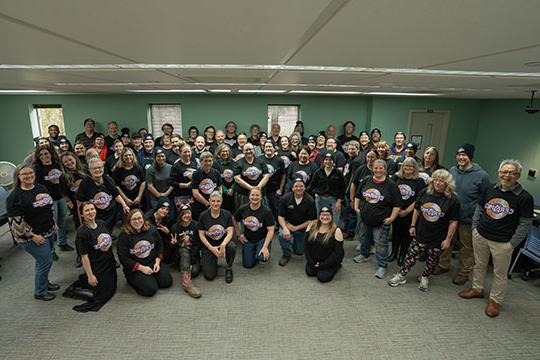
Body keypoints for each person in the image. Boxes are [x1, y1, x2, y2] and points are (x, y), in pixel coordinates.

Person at [459, 159, 534, 317]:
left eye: (511, 173)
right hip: (481, 234)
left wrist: (512, 244)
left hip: (503, 242)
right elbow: (479, 208)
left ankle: (495, 300)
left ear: (518, 175)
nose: (507, 175)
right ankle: (477, 289)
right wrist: (475, 228)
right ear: (499, 173)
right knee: (479, 265)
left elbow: (525, 224)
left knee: (499, 273)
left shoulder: (525, 197)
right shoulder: (489, 188)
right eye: (504, 172)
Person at [388, 169, 459, 291]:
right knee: (411, 255)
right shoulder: (425, 192)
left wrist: (448, 239)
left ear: (447, 183)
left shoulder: (453, 200)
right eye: (435, 180)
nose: (437, 183)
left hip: (438, 236)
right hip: (421, 232)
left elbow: (454, 221)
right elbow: (417, 209)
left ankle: (425, 277)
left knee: (433, 259)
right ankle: (402, 275)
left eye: (441, 181)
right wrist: (412, 225)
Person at [434, 144, 490, 286]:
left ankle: (463, 272)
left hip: (468, 217)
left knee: (467, 246)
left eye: (464, 155)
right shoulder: (452, 170)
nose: (461, 157)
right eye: (458, 154)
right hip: (450, 215)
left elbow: (485, 199)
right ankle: (444, 264)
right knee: (447, 240)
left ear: (470, 156)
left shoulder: (482, 176)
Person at [7, 164, 60, 301]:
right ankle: (40, 292)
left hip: (48, 231)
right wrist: (33, 236)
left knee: (42, 262)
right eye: (24, 174)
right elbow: (16, 223)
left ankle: (44, 283)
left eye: (31, 173)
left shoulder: (40, 188)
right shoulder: (14, 197)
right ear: (18, 177)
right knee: (45, 261)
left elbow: (49, 208)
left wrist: (54, 223)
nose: (29, 176)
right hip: (31, 237)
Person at [353, 159, 401, 279]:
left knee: (380, 244)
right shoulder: (367, 180)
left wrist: (392, 218)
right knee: (364, 237)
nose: (378, 170)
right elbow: (358, 195)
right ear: (372, 168)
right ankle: (364, 254)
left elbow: (397, 204)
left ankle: (382, 265)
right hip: (364, 218)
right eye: (376, 168)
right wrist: (356, 208)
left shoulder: (391, 185)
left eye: (381, 168)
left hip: (382, 221)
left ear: (385, 169)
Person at [68, 202, 117, 312]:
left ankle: (84, 279)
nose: (91, 212)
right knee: (102, 297)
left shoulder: (102, 224)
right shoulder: (82, 233)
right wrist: (91, 276)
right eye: (87, 210)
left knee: (113, 288)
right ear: (81, 215)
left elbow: (108, 244)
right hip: (97, 265)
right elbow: (84, 257)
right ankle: (77, 288)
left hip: (108, 264)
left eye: (92, 209)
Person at [117, 209, 173, 297]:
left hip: (153, 263)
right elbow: (123, 259)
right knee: (150, 290)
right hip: (136, 268)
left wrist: (158, 262)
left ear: (143, 219)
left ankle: (150, 277)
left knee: (166, 282)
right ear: (129, 221)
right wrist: (142, 268)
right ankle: (133, 280)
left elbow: (160, 245)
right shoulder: (124, 236)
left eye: (139, 218)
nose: (137, 221)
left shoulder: (152, 229)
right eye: (134, 219)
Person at [33, 145, 71, 256]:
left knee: (62, 221)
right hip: (49, 201)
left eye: (46, 153)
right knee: (51, 225)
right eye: (41, 155)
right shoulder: (38, 169)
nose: (44, 156)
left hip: (61, 197)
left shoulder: (57, 165)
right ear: (38, 157)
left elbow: (64, 179)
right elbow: (37, 186)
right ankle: (51, 251)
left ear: (50, 154)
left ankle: (62, 243)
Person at [388, 157, 426, 265]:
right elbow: (391, 194)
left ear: (415, 168)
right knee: (395, 234)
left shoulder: (419, 181)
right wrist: (397, 209)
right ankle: (394, 253)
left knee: (406, 236)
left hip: (410, 214)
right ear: (402, 167)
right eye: (406, 166)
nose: (408, 168)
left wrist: (406, 211)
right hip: (396, 211)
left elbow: (419, 199)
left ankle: (402, 255)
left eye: (411, 166)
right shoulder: (396, 178)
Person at [76, 158, 130, 231]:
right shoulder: (85, 183)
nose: (97, 170)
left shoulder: (108, 179)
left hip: (111, 215)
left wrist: (124, 205)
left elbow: (116, 194)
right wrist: (82, 220)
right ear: (89, 170)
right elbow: (79, 202)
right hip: (96, 217)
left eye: (99, 167)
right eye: (94, 168)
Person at [198, 191, 236, 283]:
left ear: (221, 201)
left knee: (232, 246)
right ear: (209, 201)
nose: (215, 203)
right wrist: (211, 248)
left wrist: (223, 245)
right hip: (209, 246)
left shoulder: (227, 214)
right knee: (209, 276)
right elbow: (201, 235)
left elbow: (230, 232)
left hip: (222, 243)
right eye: (213, 201)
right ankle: (212, 260)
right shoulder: (203, 216)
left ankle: (229, 267)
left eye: (218, 201)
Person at [278, 178, 317, 266]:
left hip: (302, 227)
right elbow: (280, 216)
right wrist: (284, 228)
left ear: (304, 187)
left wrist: (297, 228)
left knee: (299, 252)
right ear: (292, 188)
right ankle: (286, 254)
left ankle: (295, 243)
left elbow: (313, 220)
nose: (298, 188)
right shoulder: (285, 198)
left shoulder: (310, 200)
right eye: (296, 186)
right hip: (288, 224)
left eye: (301, 186)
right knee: (282, 235)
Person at [234, 187, 275, 268]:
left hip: (262, 238)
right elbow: (234, 219)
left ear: (261, 197)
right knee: (248, 265)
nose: (255, 197)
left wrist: (264, 247)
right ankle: (253, 250)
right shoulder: (243, 208)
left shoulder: (267, 211)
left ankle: (263, 248)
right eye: (252, 195)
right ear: (249, 196)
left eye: (257, 195)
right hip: (248, 239)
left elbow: (271, 230)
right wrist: (239, 234)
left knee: (261, 257)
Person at [170, 204, 202, 298]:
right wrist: (173, 244)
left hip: (193, 254)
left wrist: (192, 257)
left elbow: (198, 244)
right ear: (180, 215)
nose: (186, 215)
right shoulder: (175, 227)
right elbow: (172, 250)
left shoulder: (196, 225)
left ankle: (184, 268)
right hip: (180, 254)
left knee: (195, 271)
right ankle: (187, 284)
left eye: (188, 213)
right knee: (184, 251)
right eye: (183, 214)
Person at [305, 207, 344, 283]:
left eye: (328, 215)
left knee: (322, 277)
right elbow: (306, 246)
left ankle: (338, 265)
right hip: (315, 259)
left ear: (332, 216)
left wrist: (323, 265)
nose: (325, 217)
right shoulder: (311, 226)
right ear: (319, 216)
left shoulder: (337, 230)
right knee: (310, 272)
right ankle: (317, 265)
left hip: (329, 260)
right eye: (322, 215)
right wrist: (310, 261)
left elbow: (338, 253)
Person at [307, 153, 345, 224]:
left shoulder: (338, 173)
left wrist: (339, 201)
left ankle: (332, 234)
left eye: (330, 160)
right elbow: (312, 185)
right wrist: (313, 193)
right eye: (326, 160)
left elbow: (342, 188)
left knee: (334, 220)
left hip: (334, 200)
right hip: (320, 199)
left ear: (333, 161)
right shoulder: (318, 172)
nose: (328, 162)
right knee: (320, 219)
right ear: (323, 161)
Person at [233, 143, 270, 209]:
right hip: (243, 194)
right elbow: (237, 179)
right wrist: (251, 188)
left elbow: (266, 176)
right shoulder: (238, 163)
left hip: (260, 193)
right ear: (243, 151)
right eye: (246, 150)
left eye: (250, 149)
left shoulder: (261, 161)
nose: (248, 151)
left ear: (254, 150)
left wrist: (258, 188)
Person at [112, 147, 146, 211]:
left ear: (133, 156)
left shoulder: (138, 167)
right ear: (122, 157)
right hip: (124, 200)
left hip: (138, 199)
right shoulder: (117, 170)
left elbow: (143, 182)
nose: (128, 157)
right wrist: (125, 199)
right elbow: (117, 186)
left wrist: (139, 197)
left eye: (130, 155)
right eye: (125, 155)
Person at [190, 151, 222, 220]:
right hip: (200, 206)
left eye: (210, 161)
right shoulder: (196, 174)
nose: (208, 163)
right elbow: (195, 193)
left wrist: (217, 201)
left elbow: (220, 188)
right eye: (205, 161)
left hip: (214, 205)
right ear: (201, 162)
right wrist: (207, 204)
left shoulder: (216, 172)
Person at [260, 141, 286, 221]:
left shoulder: (279, 160)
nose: (268, 148)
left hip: (274, 190)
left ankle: (279, 227)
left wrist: (280, 189)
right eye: (266, 147)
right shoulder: (259, 159)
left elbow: (283, 175)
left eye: (270, 147)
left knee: (276, 209)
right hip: (262, 189)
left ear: (274, 148)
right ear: (264, 148)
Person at [168, 144, 198, 210]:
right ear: (180, 153)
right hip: (180, 196)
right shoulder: (176, 166)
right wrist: (186, 185)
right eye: (185, 152)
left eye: (188, 152)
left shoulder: (194, 164)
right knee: (182, 214)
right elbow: (171, 182)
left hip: (192, 195)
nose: (187, 154)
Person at [146, 197, 174, 264]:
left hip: (162, 239)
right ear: (157, 208)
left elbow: (171, 235)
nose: (164, 211)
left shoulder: (168, 218)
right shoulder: (148, 218)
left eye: (167, 209)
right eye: (162, 208)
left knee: (168, 259)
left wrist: (168, 232)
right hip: (149, 241)